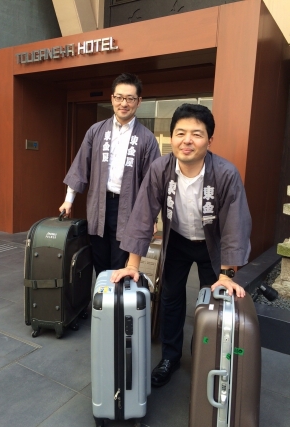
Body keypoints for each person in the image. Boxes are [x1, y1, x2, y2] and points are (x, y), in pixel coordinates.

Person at [111, 103, 251, 387]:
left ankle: (207, 358)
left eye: (197, 134)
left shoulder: (225, 174)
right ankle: (170, 357)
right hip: (177, 241)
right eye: (180, 133)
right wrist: (132, 265)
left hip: (213, 247)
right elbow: (142, 215)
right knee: (171, 298)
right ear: (172, 137)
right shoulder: (160, 168)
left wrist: (228, 274)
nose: (187, 140)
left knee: (214, 303)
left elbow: (236, 225)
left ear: (210, 140)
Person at [59, 73, 160, 276]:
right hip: (98, 205)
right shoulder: (96, 131)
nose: (124, 103)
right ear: (112, 98)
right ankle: (102, 303)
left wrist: (152, 217)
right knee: (99, 260)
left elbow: (153, 182)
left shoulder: (147, 139)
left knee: (121, 262)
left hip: (130, 208)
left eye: (130, 98)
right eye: (119, 97)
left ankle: (117, 305)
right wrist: (69, 200)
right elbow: (81, 166)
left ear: (138, 102)